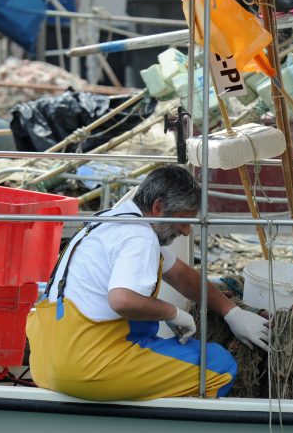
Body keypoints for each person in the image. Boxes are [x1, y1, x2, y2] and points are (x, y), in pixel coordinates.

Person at [26, 165, 269, 401]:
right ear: (158, 207)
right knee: (218, 365)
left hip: (47, 361)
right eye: (184, 221)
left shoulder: (109, 220)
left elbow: (182, 275)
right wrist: (172, 313)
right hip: (88, 365)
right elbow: (122, 299)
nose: (186, 232)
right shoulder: (140, 235)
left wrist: (231, 312)